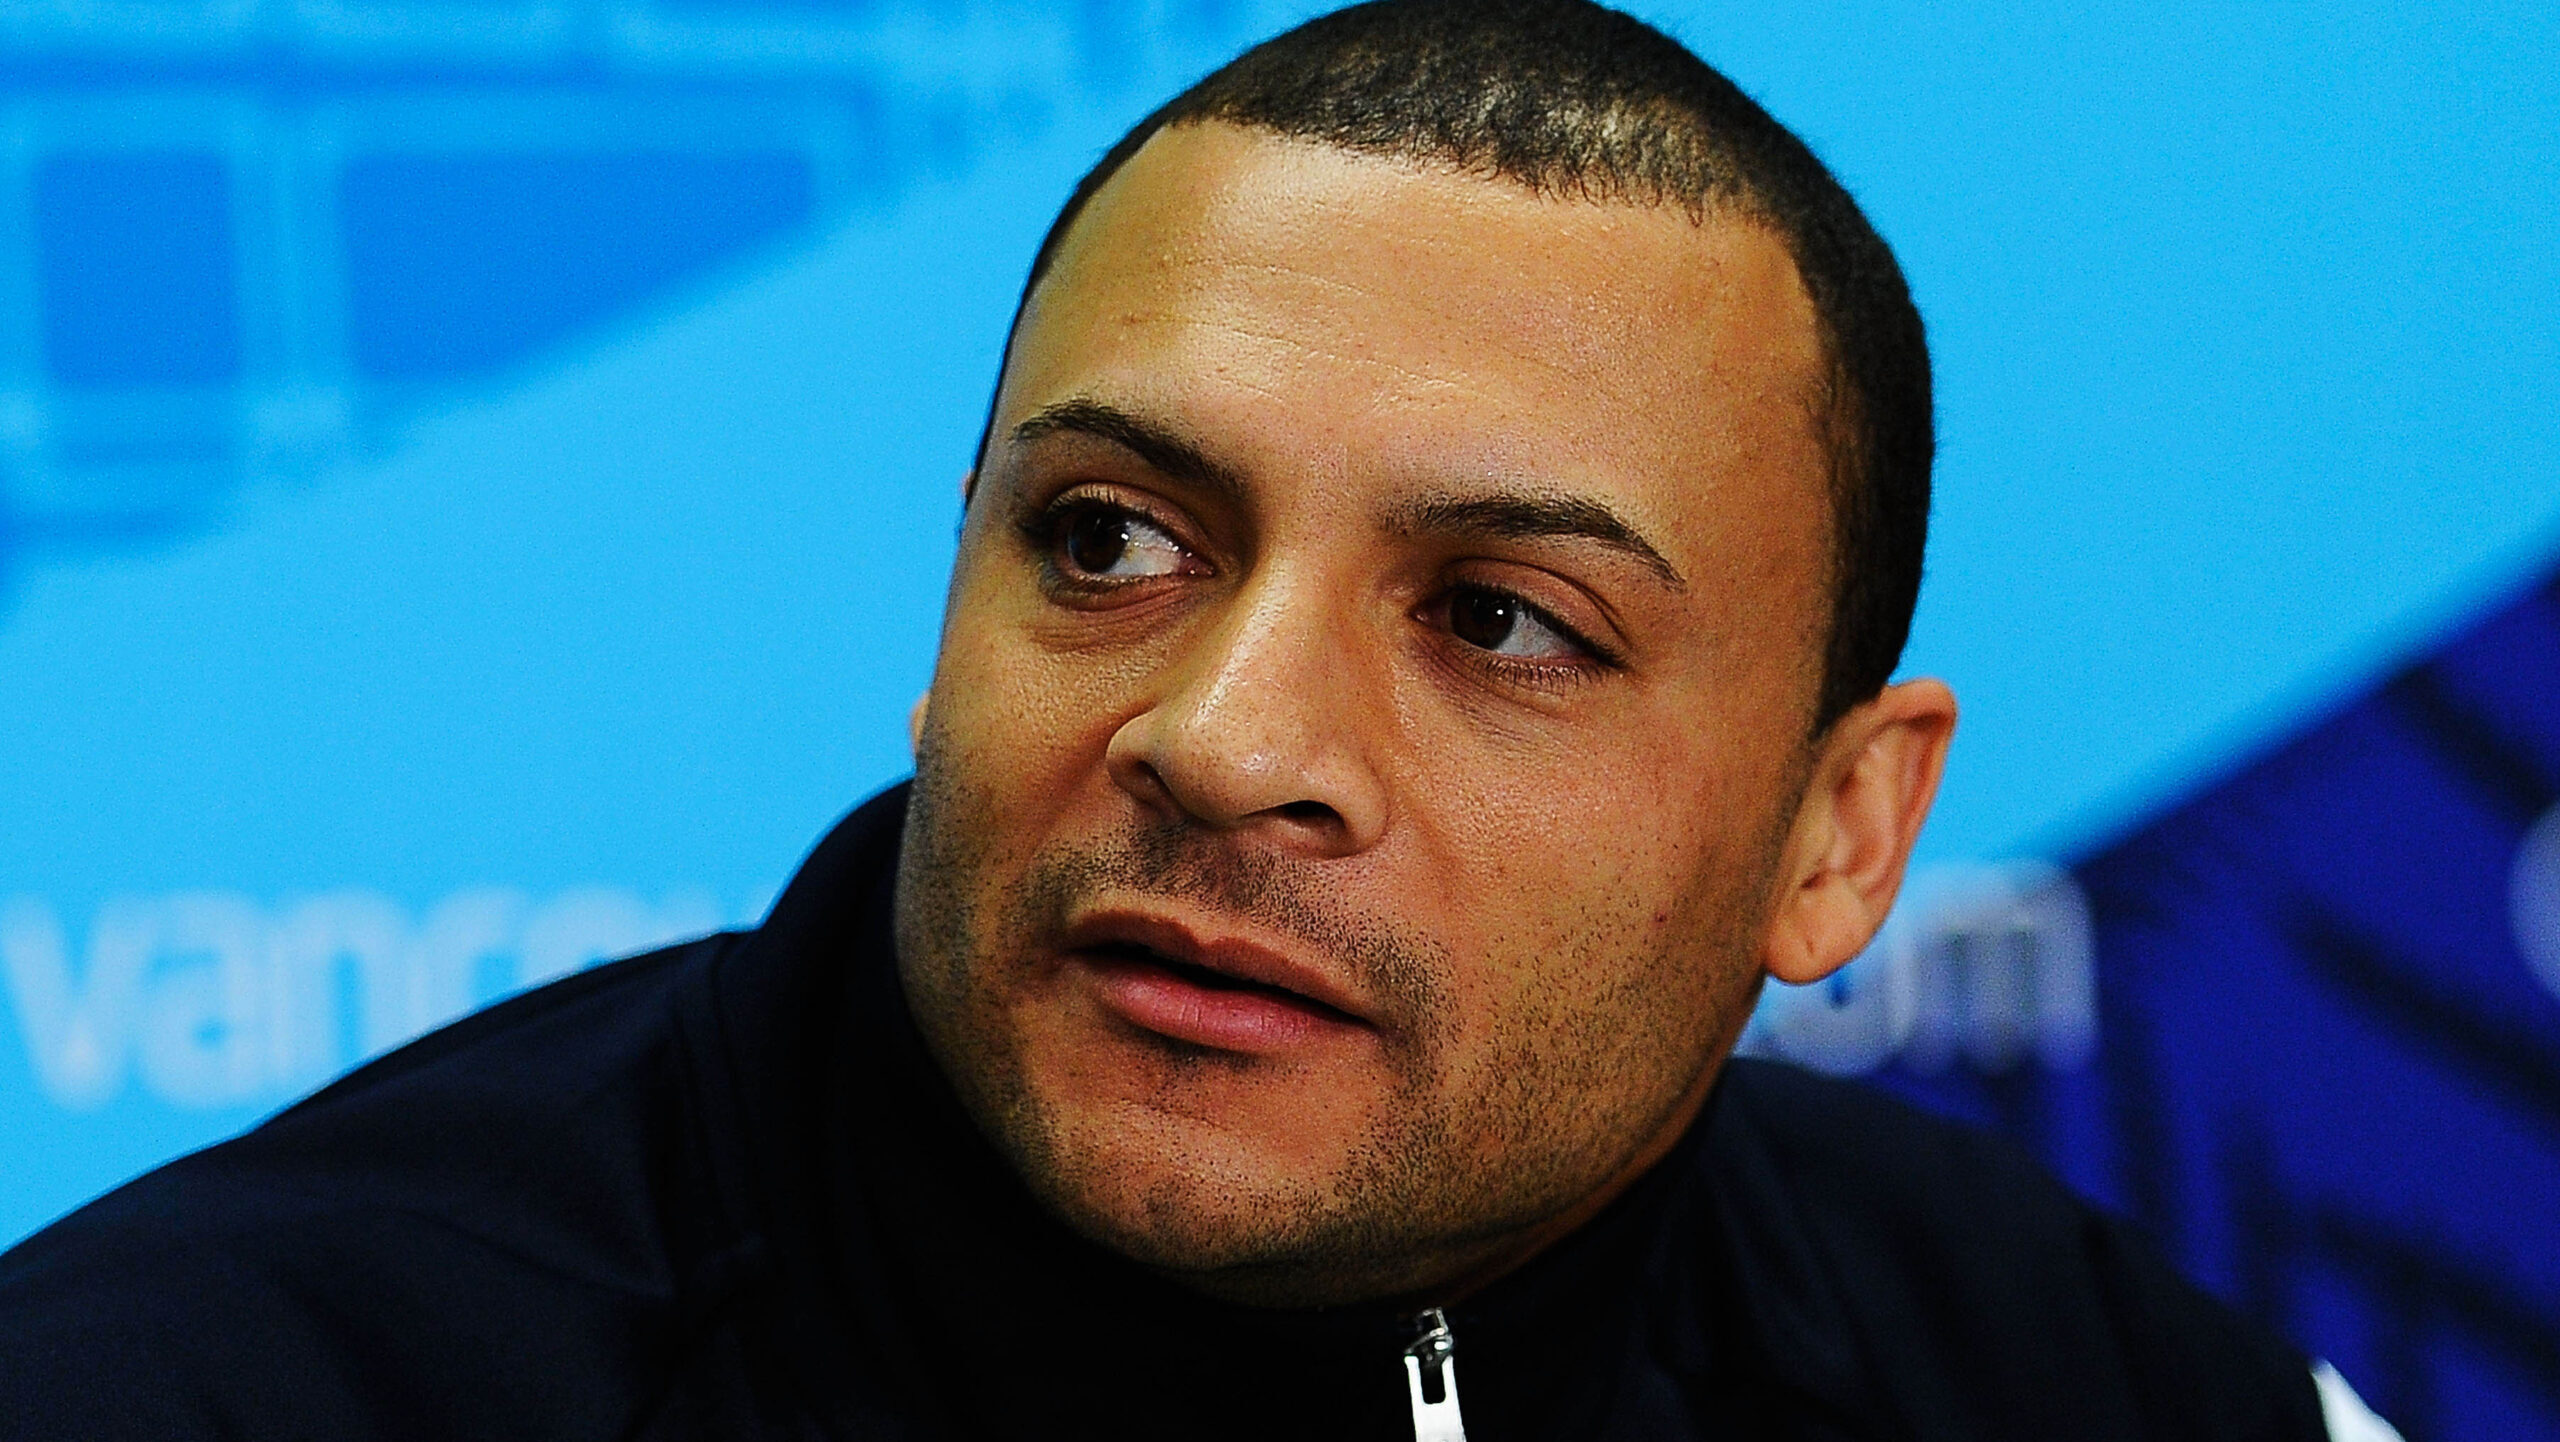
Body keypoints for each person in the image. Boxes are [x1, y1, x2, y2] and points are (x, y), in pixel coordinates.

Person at [0, 3, 2400, 1439]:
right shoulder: (226, 1384)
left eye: (1498, 617)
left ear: (1838, 834)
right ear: (951, 606)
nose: (1228, 738)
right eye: (1111, 542)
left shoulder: (2020, 1360)